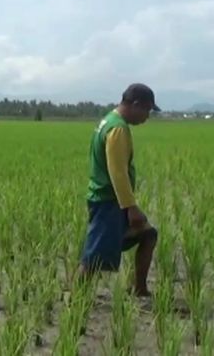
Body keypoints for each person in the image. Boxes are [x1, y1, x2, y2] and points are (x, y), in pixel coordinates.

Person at [77, 83, 161, 296]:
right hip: (108, 202)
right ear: (135, 104)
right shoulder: (117, 128)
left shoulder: (108, 121)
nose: (147, 117)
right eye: (147, 110)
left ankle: (140, 288)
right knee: (93, 258)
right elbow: (118, 172)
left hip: (114, 202)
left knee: (148, 235)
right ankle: (76, 301)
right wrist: (131, 208)